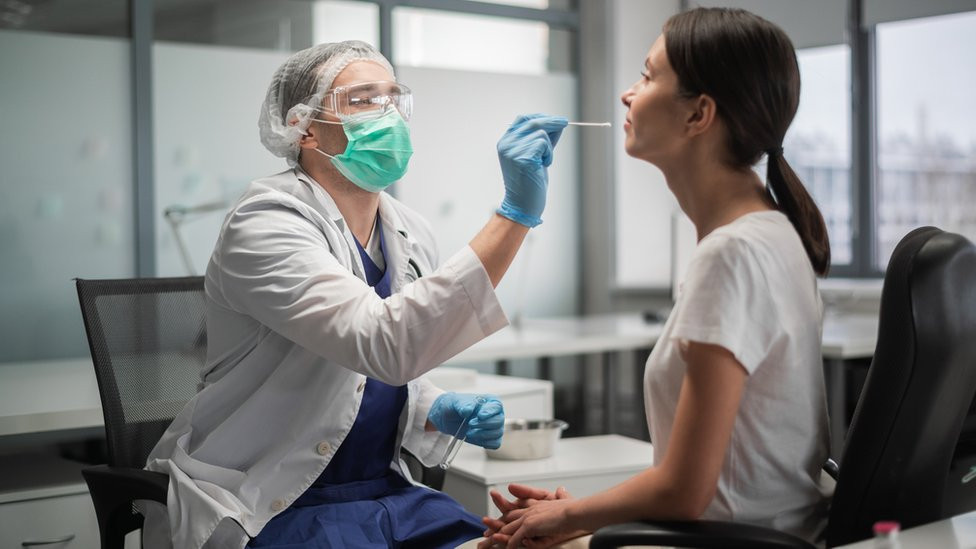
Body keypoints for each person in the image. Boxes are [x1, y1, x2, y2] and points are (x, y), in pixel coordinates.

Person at [139, 40, 568, 549]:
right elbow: (384, 343)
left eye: (393, 98)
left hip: (385, 494)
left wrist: (433, 405)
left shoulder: (409, 231)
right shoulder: (264, 224)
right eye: (363, 100)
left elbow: (367, 377)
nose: (386, 113)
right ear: (305, 127)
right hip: (274, 501)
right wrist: (514, 216)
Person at [478, 7, 833, 549]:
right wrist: (584, 511)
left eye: (646, 76)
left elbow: (686, 491)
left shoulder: (732, 253)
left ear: (699, 115)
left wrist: (565, 519)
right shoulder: (772, 234)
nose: (627, 93)